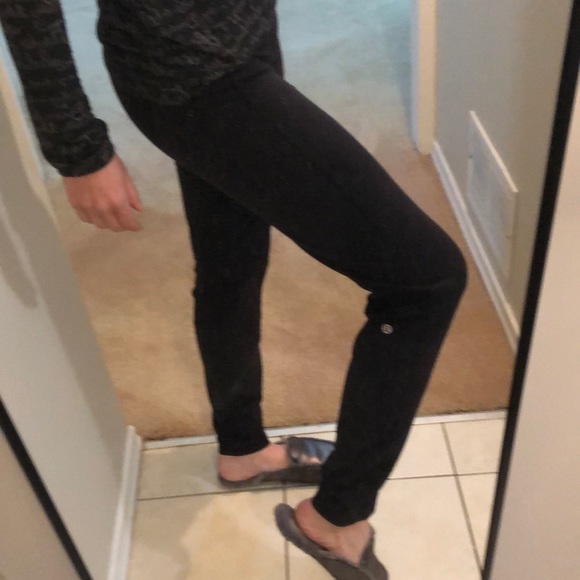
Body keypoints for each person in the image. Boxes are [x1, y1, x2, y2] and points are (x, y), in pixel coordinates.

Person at [0, 1, 467, 578]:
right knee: (426, 280)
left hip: (241, 36)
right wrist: (76, 150)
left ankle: (242, 449)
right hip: (186, 68)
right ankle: (337, 516)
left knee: (231, 261)